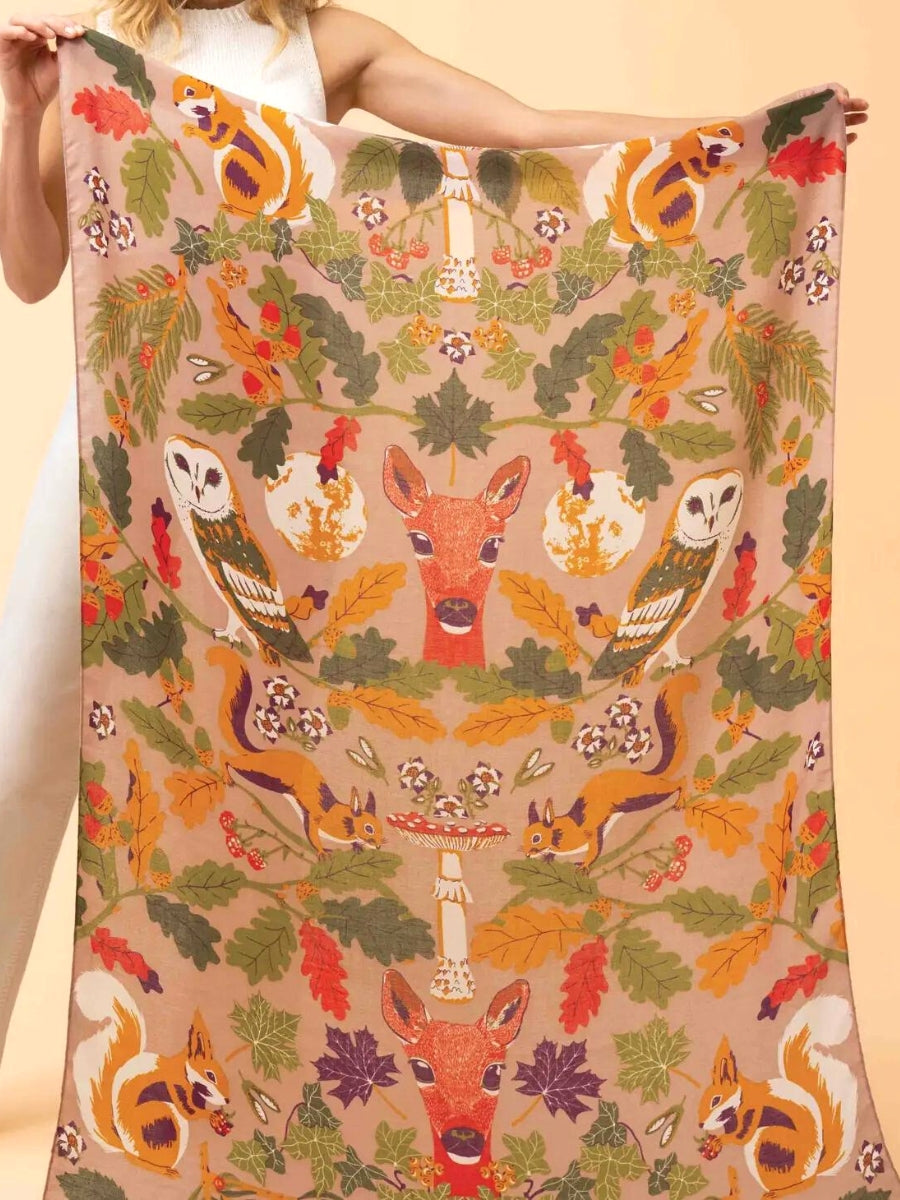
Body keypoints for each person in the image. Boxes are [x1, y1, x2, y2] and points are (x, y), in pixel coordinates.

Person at [0, 0, 869, 1064]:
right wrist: (19, 110)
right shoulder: (110, 46)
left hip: (272, 480)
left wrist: (760, 138)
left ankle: (257, 1080)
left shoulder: (323, 44)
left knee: (249, 792)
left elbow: (527, 132)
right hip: (117, 439)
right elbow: (33, 275)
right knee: (17, 749)